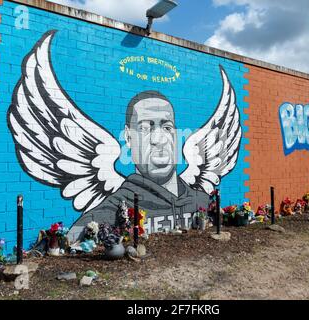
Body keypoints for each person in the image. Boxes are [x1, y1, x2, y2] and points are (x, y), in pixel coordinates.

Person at [68, 91, 209, 242]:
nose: (159, 139)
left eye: (167, 127)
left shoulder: (201, 200)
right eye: (145, 129)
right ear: (128, 138)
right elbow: (72, 237)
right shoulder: (115, 207)